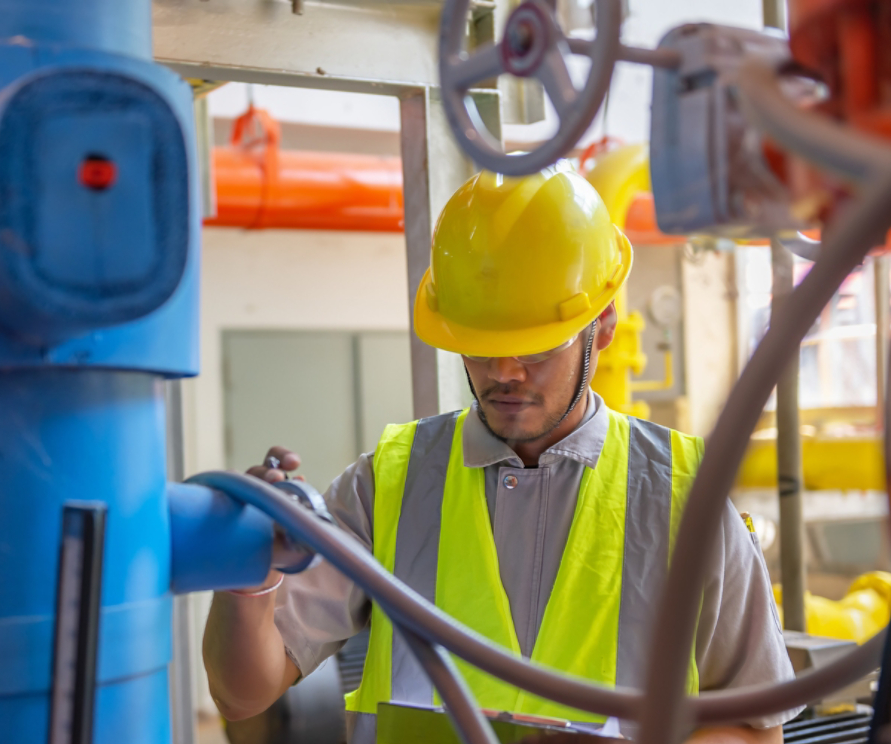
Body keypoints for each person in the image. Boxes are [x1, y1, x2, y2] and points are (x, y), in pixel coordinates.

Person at [202, 164, 800, 744]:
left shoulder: (684, 493)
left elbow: (753, 725)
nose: (504, 372)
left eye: (536, 346)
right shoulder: (387, 485)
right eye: (482, 346)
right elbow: (243, 694)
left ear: (606, 326)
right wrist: (247, 577)